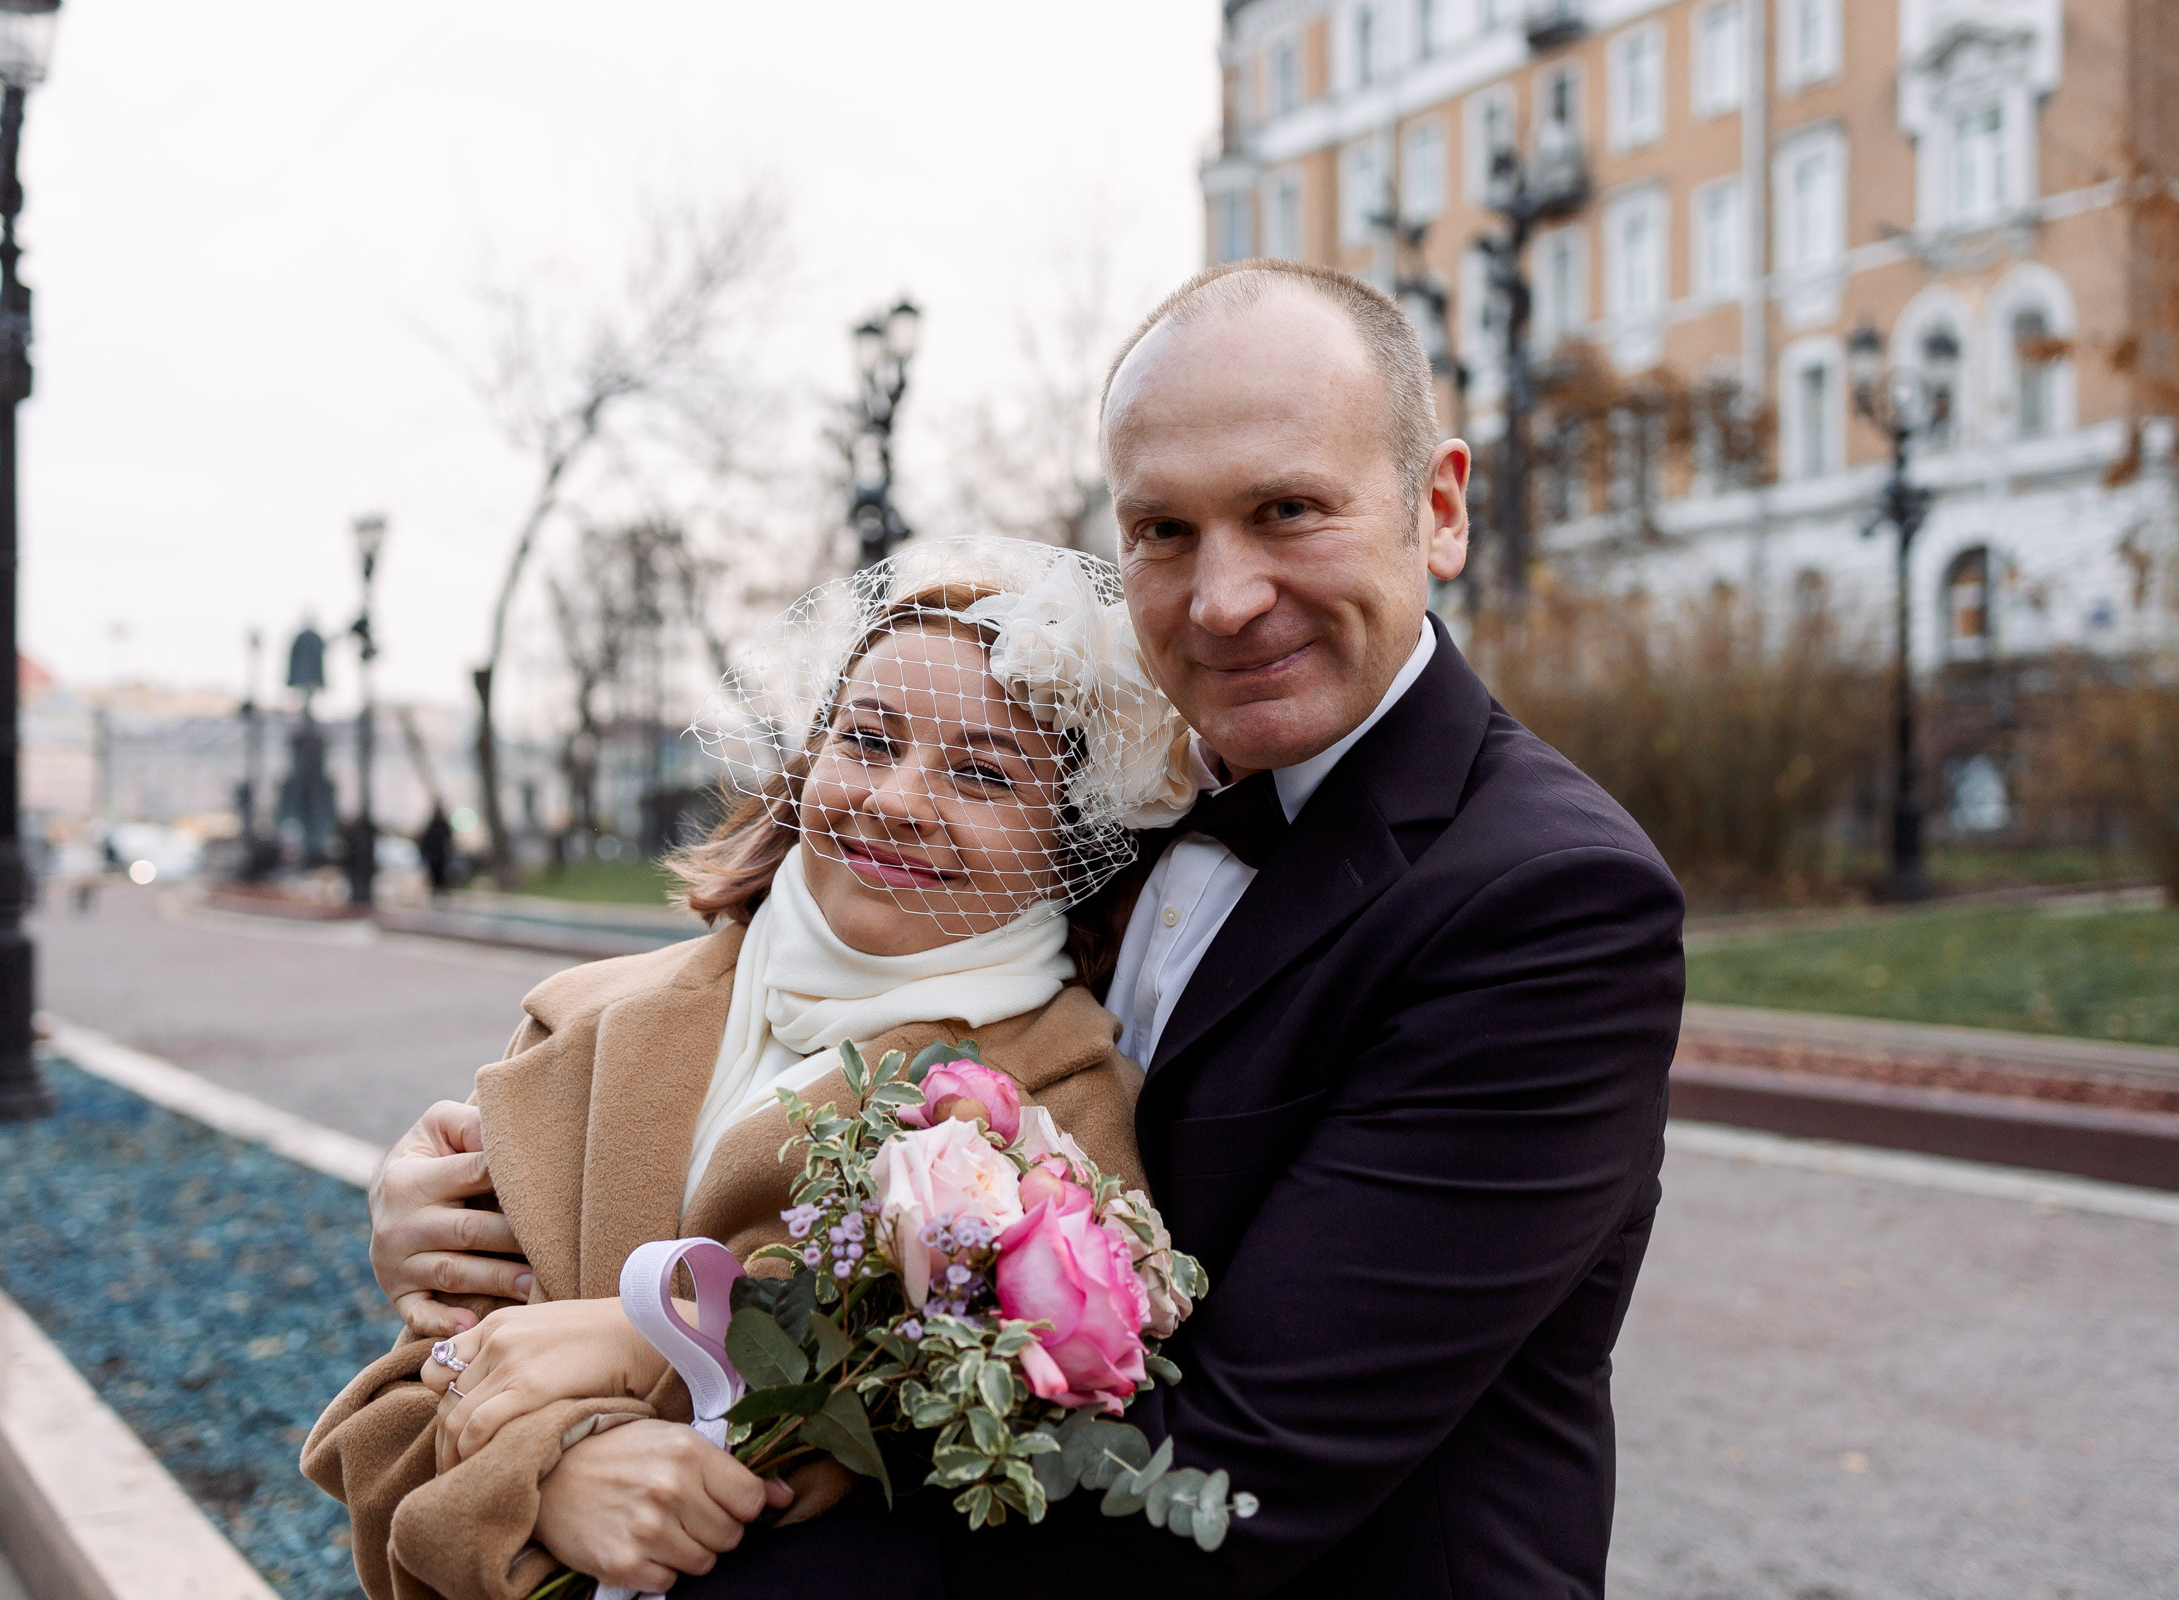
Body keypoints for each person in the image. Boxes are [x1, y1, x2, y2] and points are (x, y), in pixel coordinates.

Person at [367, 260, 1686, 1598]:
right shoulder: (1103, 803)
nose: (1223, 598)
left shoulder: (1547, 904)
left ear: (1438, 508)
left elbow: (1233, 1470)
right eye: (1163, 530)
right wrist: (450, 1213)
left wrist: (653, 1398)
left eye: (1288, 510)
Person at [305, 545, 1201, 1600]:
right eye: (868, 740)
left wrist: (656, 1349)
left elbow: (986, 1494)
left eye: (982, 773)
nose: (897, 801)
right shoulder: (577, 1022)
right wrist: (537, 1486)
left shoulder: (1067, 1112)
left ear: (1072, 840)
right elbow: (391, 1411)